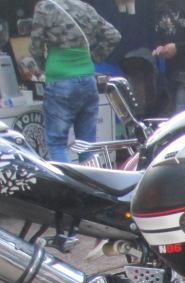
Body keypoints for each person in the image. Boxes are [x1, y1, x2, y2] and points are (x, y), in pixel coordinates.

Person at [28, 0, 121, 162]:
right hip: (88, 79)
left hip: (60, 80)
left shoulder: (45, 7)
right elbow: (113, 35)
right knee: (87, 144)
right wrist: (94, 57)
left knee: (57, 143)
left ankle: (65, 180)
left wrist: (44, 66)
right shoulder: (84, 7)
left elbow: (35, 47)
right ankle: (89, 178)